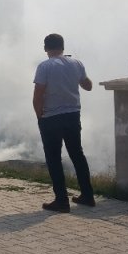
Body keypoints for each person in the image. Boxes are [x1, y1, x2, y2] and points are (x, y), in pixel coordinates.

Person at [32, 33, 95, 213]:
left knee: (54, 158)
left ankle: (61, 200)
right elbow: (88, 85)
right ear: (63, 46)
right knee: (77, 154)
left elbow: (38, 95)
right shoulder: (76, 63)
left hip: (51, 117)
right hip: (73, 114)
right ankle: (87, 195)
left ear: (46, 48)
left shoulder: (45, 66)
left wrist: (39, 117)